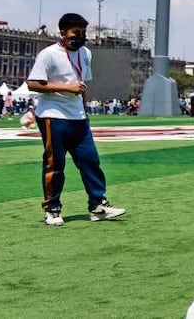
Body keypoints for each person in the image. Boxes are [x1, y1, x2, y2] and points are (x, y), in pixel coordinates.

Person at [28, 13, 126, 226]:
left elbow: (81, 85)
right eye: (76, 33)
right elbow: (33, 84)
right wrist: (66, 87)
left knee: (90, 160)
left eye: (83, 33)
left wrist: (84, 111)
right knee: (55, 164)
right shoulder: (48, 54)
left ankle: (98, 205)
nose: (80, 37)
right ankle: (52, 209)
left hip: (78, 117)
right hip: (53, 116)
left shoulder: (86, 53)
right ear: (62, 32)